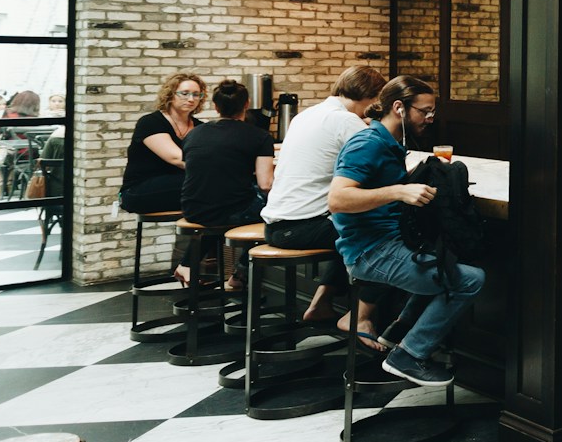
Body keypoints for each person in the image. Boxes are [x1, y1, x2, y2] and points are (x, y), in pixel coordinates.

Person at [328, 76, 483, 387]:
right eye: (423, 111)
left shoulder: (391, 142)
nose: (429, 118)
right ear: (398, 108)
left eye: (432, 112)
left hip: (388, 242)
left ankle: (397, 333)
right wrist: (398, 191)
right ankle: (409, 354)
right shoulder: (367, 143)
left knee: (450, 255)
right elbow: (337, 199)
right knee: (471, 279)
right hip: (369, 252)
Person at [264, 67, 391, 346]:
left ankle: (320, 303)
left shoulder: (306, 114)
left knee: (345, 226)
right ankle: (359, 315)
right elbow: (384, 163)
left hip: (276, 226)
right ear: (371, 97)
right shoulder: (346, 121)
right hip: (302, 227)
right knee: (381, 235)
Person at [179, 79, 275, 288]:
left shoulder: (194, 133)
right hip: (229, 211)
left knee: (224, 205)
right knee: (278, 218)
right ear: (247, 104)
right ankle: (240, 275)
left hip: (192, 208)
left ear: (215, 106)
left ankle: (187, 263)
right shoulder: (259, 136)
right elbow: (266, 184)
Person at [120, 72, 205, 214]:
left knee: (215, 192)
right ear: (171, 94)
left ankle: (208, 236)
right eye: (184, 93)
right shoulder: (151, 122)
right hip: (138, 191)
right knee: (210, 184)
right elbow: (177, 158)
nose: (191, 99)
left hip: (181, 185)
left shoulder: (200, 127)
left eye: (196, 94)